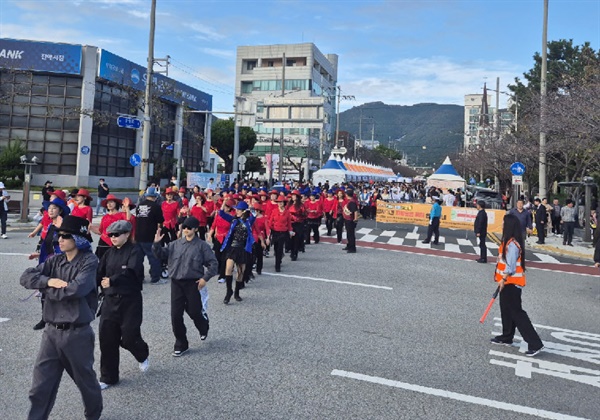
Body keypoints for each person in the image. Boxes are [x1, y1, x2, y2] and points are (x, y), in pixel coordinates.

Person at [20, 215, 102, 420]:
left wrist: (46, 290)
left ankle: (93, 415)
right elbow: (27, 277)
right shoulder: (55, 260)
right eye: (59, 235)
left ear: (79, 238)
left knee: (86, 382)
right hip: (51, 333)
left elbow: (76, 290)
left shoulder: (89, 261)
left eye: (66, 236)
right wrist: (49, 282)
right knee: (40, 387)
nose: (60, 239)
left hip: (77, 333)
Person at [152, 216, 218, 356]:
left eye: (189, 227)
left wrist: (204, 278)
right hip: (176, 282)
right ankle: (181, 343)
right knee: (176, 315)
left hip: (193, 282)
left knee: (194, 311)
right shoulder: (174, 244)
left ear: (195, 229)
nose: (186, 230)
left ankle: (203, 325)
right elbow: (160, 255)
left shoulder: (202, 246)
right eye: (184, 227)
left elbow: (213, 264)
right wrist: (156, 244)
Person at [96, 220, 148, 389]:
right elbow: (99, 273)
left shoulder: (135, 250)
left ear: (127, 234)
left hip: (130, 301)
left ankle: (142, 354)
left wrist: (112, 280)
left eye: (117, 234)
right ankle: (108, 377)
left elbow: (132, 271)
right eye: (110, 235)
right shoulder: (108, 253)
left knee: (129, 336)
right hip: (110, 301)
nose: (113, 238)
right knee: (107, 338)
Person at [491, 214, 544, 357]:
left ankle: (535, 343)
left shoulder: (512, 244)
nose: (502, 225)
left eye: (503, 223)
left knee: (517, 313)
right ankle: (507, 336)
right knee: (506, 310)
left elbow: (511, 267)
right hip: (508, 282)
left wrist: (503, 279)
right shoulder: (508, 242)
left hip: (512, 283)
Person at [218, 201, 255, 303]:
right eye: (236, 209)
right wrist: (224, 202)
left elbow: (254, 215)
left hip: (243, 249)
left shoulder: (248, 221)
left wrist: (250, 208)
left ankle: (237, 292)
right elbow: (221, 213)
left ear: (243, 211)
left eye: (238, 210)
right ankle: (228, 291)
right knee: (228, 268)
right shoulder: (234, 219)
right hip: (233, 247)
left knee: (240, 271)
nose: (236, 211)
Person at [135, 187, 165, 284]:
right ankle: (155, 278)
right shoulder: (156, 206)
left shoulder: (139, 206)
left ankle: (139, 278)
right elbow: (160, 220)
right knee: (154, 257)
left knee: (138, 259)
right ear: (155, 196)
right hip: (150, 235)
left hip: (138, 235)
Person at [268, 195, 293, 272]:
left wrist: (290, 231)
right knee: (276, 248)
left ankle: (277, 265)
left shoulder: (287, 212)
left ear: (284, 203)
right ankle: (278, 259)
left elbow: (289, 223)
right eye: (278, 202)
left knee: (280, 248)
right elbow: (270, 221)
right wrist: (269, 231)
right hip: (275, 232)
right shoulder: (274, 211)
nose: (280, 203)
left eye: (281, 202)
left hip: (283, 232)